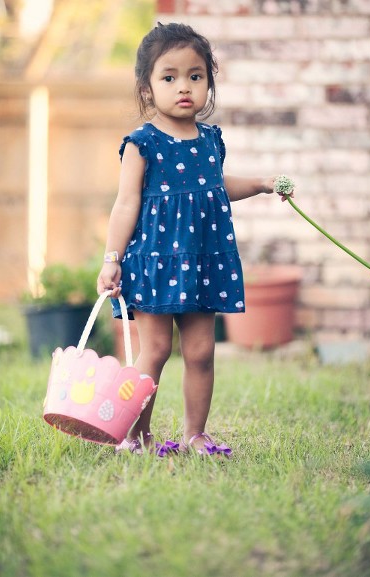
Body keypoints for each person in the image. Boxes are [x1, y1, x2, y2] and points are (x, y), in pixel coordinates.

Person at [98, 23, 279, 456]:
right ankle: (135, 434)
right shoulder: (142, 144)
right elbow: (125, 206)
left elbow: (214, 187)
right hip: (155, 262)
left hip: (203, 262)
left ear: (209, 84)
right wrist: (111, 259)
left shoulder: (211, 141)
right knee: (155, 351)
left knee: (200, 351)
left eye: (195, 76)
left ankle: (195, 433)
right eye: (170, 77)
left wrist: (259, 183)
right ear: (147, 88)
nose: (184, 87)